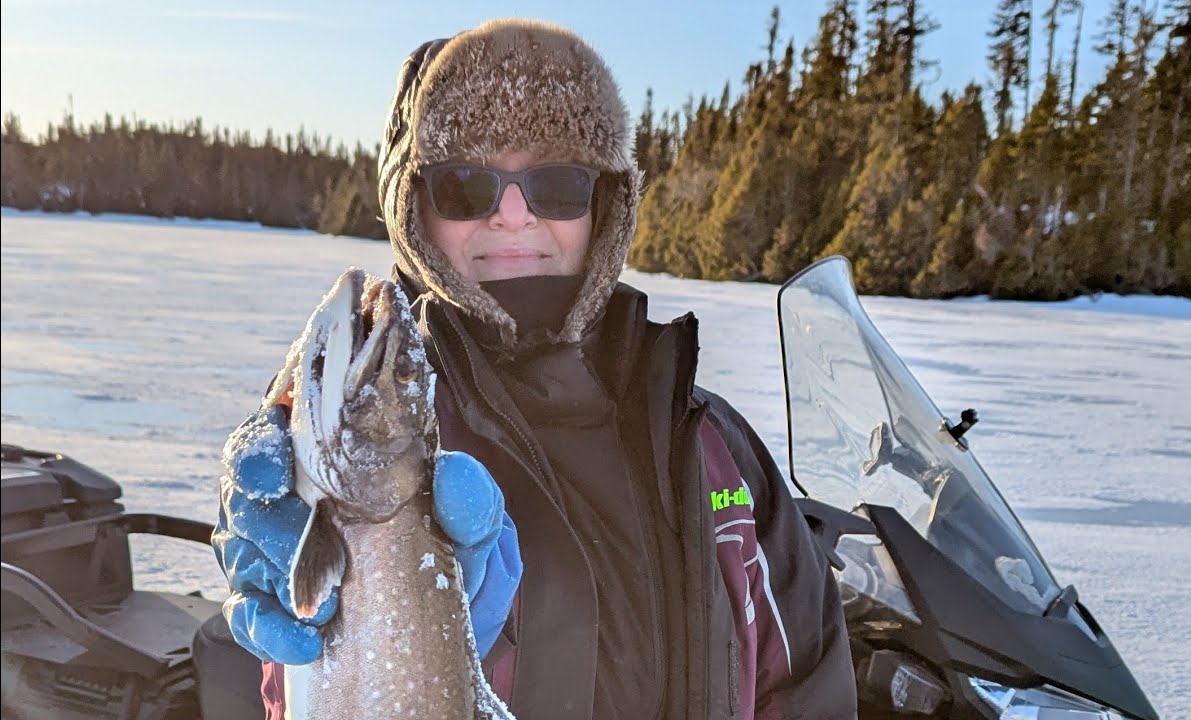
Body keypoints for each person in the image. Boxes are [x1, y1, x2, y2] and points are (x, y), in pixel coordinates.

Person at [212, 17, 857, 719]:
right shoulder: (380, 424)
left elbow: (809, 688)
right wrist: (293, 568)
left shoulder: (712, 444)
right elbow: (303, 675)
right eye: (466, 185)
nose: (515, 216)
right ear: (415, 208)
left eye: (558, 184)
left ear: (603, 204)